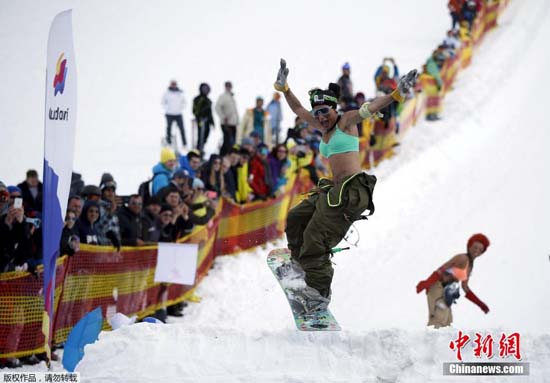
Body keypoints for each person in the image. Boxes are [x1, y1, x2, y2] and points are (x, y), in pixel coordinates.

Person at [273, 58, 417, 313]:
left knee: (315, 238)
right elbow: (297, 109)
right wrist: (285, 89)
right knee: (296, 217)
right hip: (332, 191)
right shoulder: (321, 127)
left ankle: (319, 294)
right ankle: (299, 263)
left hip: (352, 191)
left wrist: (396, 94)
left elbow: (371, 107)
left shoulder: (346, 122)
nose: (320, 117)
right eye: (317, 113)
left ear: (334, 109)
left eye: (325, 112)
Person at [416, 233, 491, 328]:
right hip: (437, 287)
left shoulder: (470, 266)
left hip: (446, 292)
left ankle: (437, 341)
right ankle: (429, 340)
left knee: (447, 321)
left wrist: (480, 304)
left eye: (480, 250)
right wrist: (428, 282)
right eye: (475, 247)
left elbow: (465, 287)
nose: (477, 251)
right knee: (440, 318)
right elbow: (441, 270)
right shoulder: (462, 258)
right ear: (469, 246)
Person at [215, 81, 239, 156]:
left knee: (232, 142)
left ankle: (229, 156)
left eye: (230, 86)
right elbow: (217, 107)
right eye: (227, 86)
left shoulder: (231, 97)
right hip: (226, 123)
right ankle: (222, 156)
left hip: (233, 123)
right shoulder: (223, 96)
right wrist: (223, 117)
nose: (229, 87)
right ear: (225, 87)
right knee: (227, 141)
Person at [161, 80, 186, 147]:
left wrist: (180, 108)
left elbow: (184, 102)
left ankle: (184, 143)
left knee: (182, 129)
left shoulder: (180, 93)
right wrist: (167, 108)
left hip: (178, 114)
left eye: (175, 84)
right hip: (169, 114)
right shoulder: (166, 93)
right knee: (169, 128)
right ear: (170, 85)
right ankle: (169, 142)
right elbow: (163, 102)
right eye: (172, 84)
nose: (174, 85)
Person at [192, 83, 214, 154]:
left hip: (207, 121)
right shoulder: (197, 99)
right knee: (200, 136)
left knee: (206, 135)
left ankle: (201, 148)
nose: (205, 91)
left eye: (207, 89)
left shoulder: (209, 100)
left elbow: (210, 112)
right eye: (204, 89)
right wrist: (199, 116)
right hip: (201, 121)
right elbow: (195, 111)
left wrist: (212, 122)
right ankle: (199, 150)